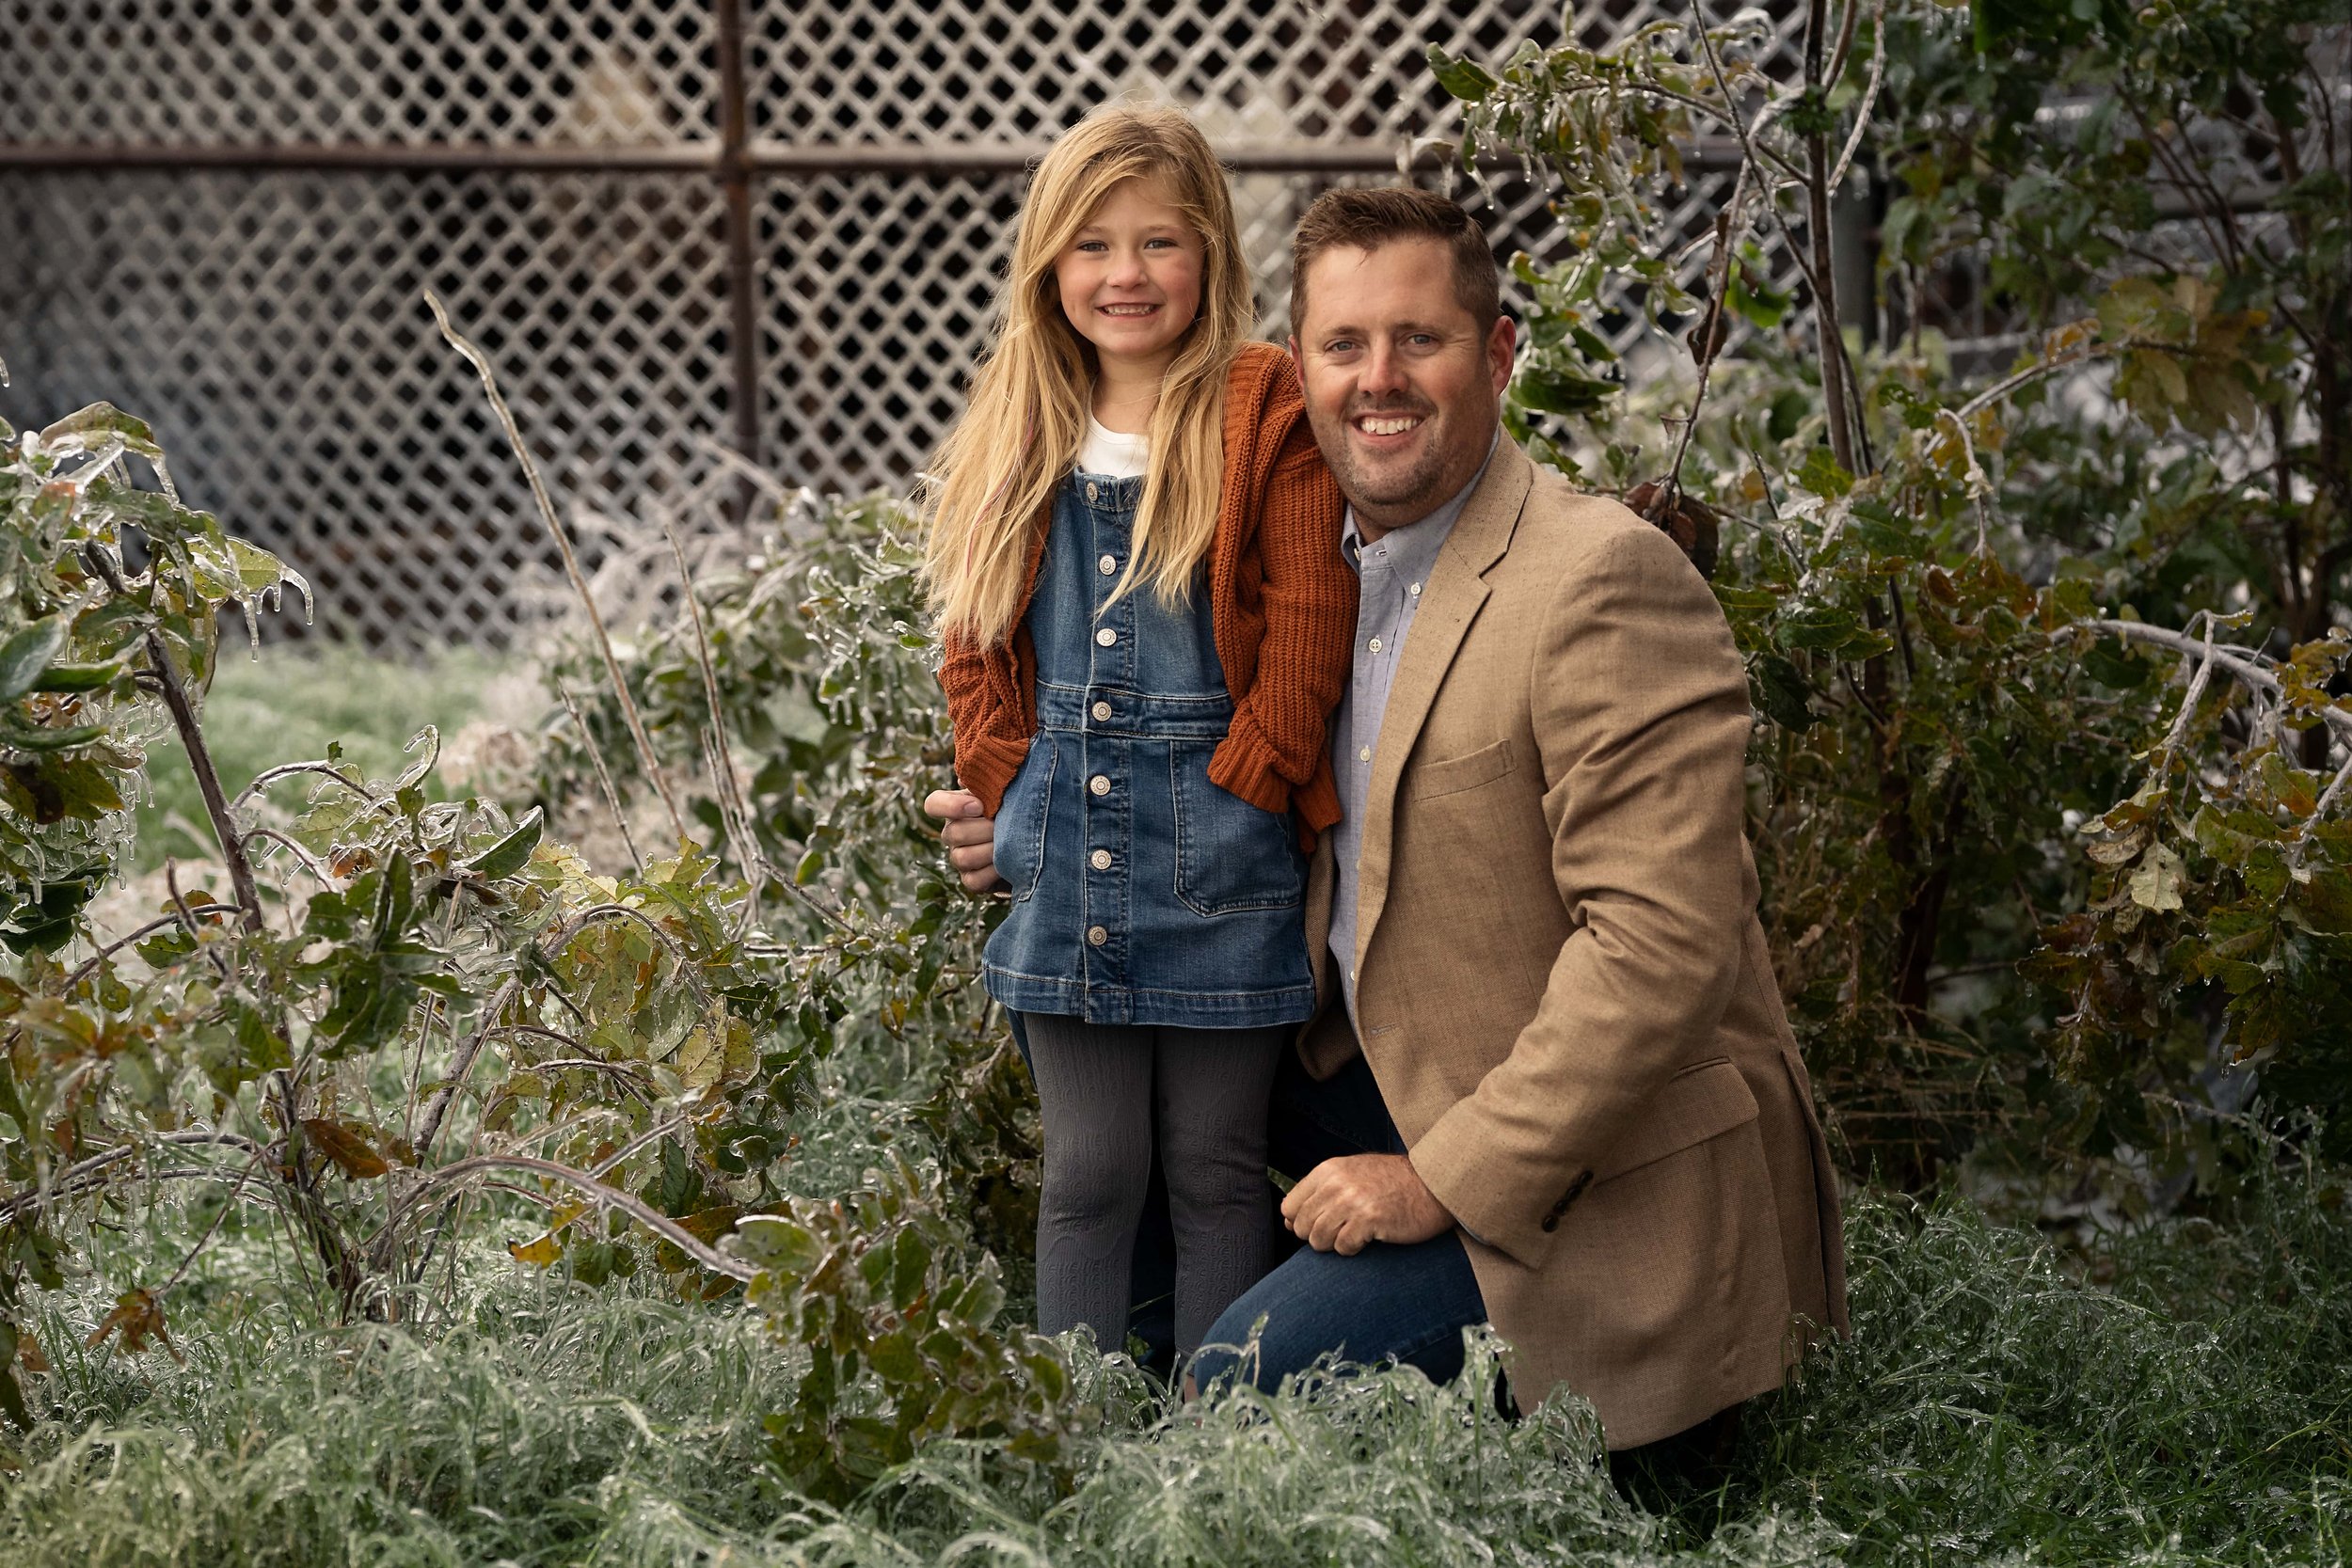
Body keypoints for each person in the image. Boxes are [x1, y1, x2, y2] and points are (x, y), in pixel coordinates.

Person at [935, 185, 1848, 1454]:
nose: (1381, 381)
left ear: (1500, 354)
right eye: (1344, 346)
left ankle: (1256, 1457)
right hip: (1385, 1078)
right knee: (1126, 1150)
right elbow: (1183, 776)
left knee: (1248, 1387)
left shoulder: (1597, 582)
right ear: (1291, 371)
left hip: (1588, 1179)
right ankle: (1093, 1467)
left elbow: (1659, 954)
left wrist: (1432, 1182)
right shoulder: (1295, 577)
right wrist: (1020, 820)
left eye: (1420, 340)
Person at [918, 105, 1353, 1366]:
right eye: (1094, 246)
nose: (1127, 275)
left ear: (1210, 250)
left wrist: (1253, 777)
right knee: (1089, 1174)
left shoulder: (1258, 406)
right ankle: (1081, 1439)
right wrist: (1011, 796)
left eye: (1159, 242)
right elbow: (974, 642)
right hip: (1065, 857)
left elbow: (1312, 619)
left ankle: (1216, 1450)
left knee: (1216, 1171)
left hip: (1225, 853)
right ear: (1050, 265)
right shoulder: (1022, 422)